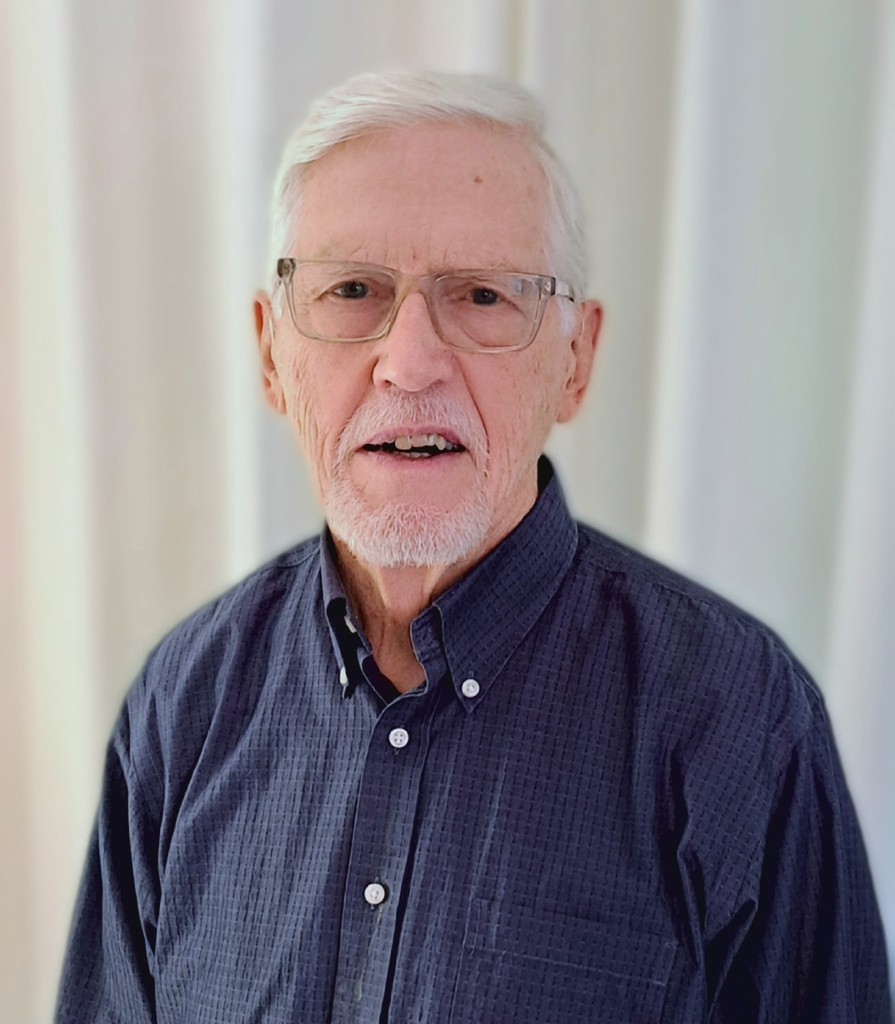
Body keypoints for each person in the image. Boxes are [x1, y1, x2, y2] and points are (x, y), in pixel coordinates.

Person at [56, 70, 890, 1024]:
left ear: (574, 361)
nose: (409, 363)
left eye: (483, 296)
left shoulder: (741, 722)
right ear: (270, 356)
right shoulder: (182, 703)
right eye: (353, 289)